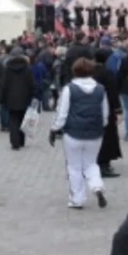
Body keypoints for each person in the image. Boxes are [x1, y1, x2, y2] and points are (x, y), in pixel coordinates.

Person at [50, 58, 110, 209]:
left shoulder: (69, 89)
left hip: (73, 133)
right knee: (91, 163)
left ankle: (77, 199)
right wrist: (100, 126)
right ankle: (97, 187)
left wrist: (54, 128)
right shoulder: (101, 89)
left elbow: (62, 113)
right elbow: (105, 114)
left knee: (74, 167)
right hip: (95, 133)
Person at [0, 47, 36, 151]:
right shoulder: (27, 68)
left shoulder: (7, 68)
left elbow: (4, 84)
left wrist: (1, 98)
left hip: (11, 98)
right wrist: (32, 95)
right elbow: (31, 84)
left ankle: (15, 143)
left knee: (13, 120)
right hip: (24, 97)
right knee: (23, 119)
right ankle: (22, 141)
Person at [93, 48, 123, 178]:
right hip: (107, 108)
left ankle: (95, 161)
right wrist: (117, 108)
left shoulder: (90, 72)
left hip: (92, 108)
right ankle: (104, 164)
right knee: (108, 136)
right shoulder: (107, 73)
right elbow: (112, 92)